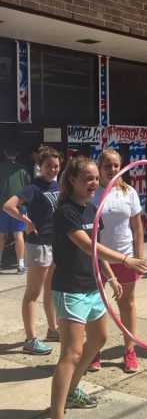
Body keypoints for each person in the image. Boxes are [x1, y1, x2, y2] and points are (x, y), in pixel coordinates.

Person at [47, 157, 147, 419]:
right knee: (71, 352)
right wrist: (125, 260)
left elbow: (97, 247)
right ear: (72, 180)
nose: (94, 183)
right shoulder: (66, 211)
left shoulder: (92, 208)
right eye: (87, 179)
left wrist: (111, 276)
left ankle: (71, 392)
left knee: (99, 339)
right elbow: (87, 245)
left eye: (95, 178)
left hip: (92, 285)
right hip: (70, 289)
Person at [88, 149, 145, 373]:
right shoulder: (91, 192)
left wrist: (139, 257)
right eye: (107, 165)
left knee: (127, 304)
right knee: (96, 306)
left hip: (125, 257)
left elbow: (137, 227)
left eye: (116, 165)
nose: (112, 169)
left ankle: (129, 349)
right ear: (99, 167)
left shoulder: (128, 192)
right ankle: (94, 350)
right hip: (97, 258)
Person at [3, 147, 61, 355]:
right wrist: (26, 221)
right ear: (40, 166)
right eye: (48, 166)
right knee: (33, 293)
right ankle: (30, 340)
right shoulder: (33, 187)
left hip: (55, 244)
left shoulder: (58, 186)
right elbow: (9, 206)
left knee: (51, 290)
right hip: (38, 245)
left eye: (56, 166)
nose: (52, 169)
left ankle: (53, 330)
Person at [0, 144, 31, 273]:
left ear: (5, 153)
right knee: (19, 234)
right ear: (17, 153)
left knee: (1, 235)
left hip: (2, 206)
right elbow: (29, 187)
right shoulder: (23, 169)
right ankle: (21, 265)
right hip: (19, 207)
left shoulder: (1, 167)